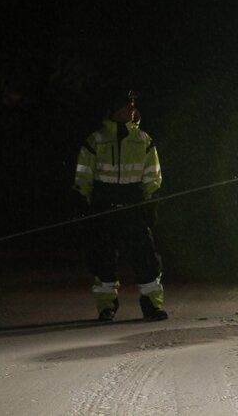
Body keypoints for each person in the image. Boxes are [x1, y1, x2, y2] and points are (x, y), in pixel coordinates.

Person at [73, 89, 167, 321]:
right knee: (102, 259)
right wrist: (83, 204)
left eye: (133, 105)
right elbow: (83, 176)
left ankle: (152, 305)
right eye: (127, 106)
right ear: (115, 110)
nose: (131, 110)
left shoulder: (144, 140)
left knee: (146, 258)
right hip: (104, 206)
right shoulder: (95, 141)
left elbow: (152, 177)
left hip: (133, 205)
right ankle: (106, 307)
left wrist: (150, 203)